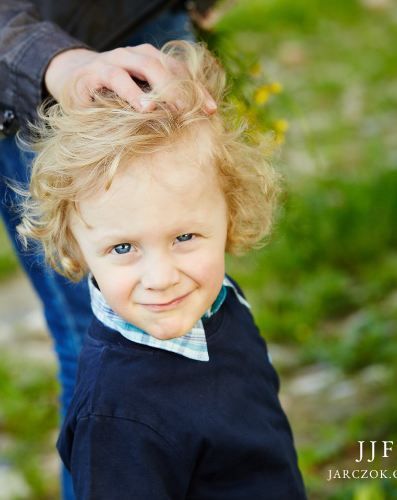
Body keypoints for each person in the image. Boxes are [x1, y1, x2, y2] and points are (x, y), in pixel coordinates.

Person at [0, 3, 218, 497]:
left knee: (203, 321)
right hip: (33, 68)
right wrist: (58, 64)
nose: (159, 274)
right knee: (104, 348)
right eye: (122, 247)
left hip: (147, 23)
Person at [17, 40, 307, 499]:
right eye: (124, 247)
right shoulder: (116, 420)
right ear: (75, 246)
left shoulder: (221, 302)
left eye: (184, 237)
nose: (161, 277)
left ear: (231, 211)